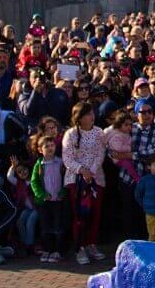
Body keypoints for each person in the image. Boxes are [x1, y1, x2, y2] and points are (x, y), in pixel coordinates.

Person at [61, 100, 107, 265]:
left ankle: (91, 244)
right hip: (76, 179)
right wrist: (82, 170)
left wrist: (91, 171)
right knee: (80, 215)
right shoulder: (71, 134)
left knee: (95, 214)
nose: (92, 116)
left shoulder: (99, 132)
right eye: (88, 114)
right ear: (79, 118)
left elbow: (100, 154)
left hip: (96, 179)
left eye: (92, 113)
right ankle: (80, 246)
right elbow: (67, 158)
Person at [29, 133, 67, 264]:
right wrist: (42, 195)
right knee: (45, 227)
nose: (50, 148)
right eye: (46, 146)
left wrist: (63, 192)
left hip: (58, 201)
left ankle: (58, 250)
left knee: (58, 226)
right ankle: (47, 249)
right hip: (44, 202)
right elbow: (34, 182)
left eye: (52, 145)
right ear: (40, 149)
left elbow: (66, 179)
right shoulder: (39, 165)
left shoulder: (60, 162)